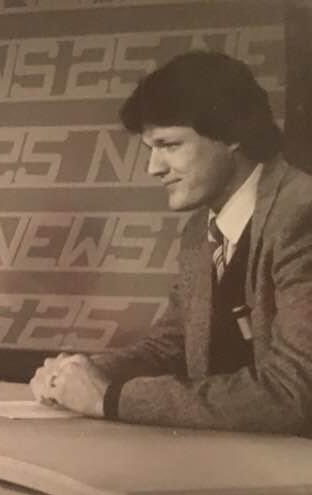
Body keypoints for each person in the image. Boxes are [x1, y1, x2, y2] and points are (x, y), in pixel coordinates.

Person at [30, 51, 312, 434]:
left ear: (230, 134)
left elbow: (295, 392)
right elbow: (172, 347)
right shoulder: (200, 230)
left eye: (170, 145)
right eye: (151, 150)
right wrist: (79, 374)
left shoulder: (301, 215)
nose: (154, 168)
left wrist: (108, 398)